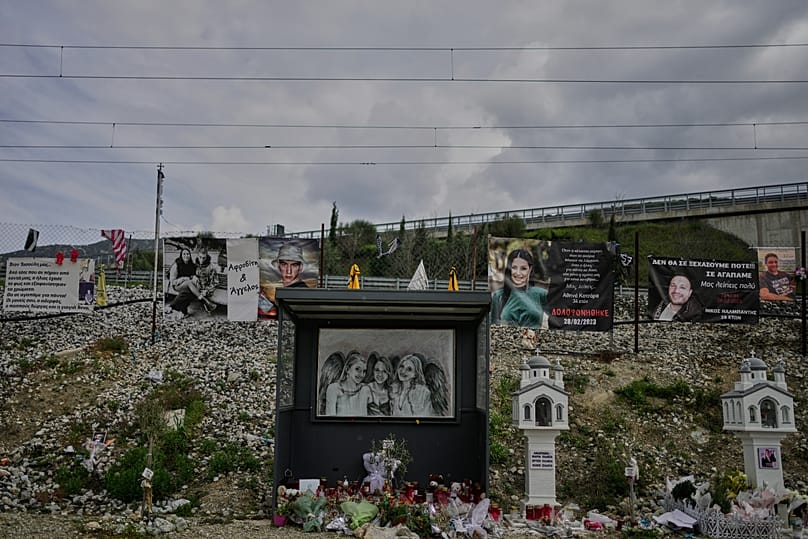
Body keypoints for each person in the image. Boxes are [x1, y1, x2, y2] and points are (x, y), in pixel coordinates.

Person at [491, 249, 548, 329]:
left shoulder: (541, 294)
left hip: (534, 340)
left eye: (523, 268)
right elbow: (493, 328)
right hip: (507, 341)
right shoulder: (498, 296)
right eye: (514, 267)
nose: (518, 273)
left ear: (530, 269)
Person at [165, 248, 216, 319]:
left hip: (190, 287)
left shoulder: (192, 265)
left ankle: (180, 310)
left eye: (188, 254)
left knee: (190, 291)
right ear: (181, 255)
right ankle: (205, 300)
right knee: (189, 285)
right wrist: (184, 278)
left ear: (190, 255)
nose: (186, 256)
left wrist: (194, 277)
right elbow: (173, 282)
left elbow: (193, 276)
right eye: (184, 254)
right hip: (177, 285)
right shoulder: (176, 265)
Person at [325, 351, 372, 416]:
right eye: (357, 369)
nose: (361, 374)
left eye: (364, 371)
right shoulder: (334, 388)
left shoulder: (365, 389)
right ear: (347, 369)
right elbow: (330, 417)